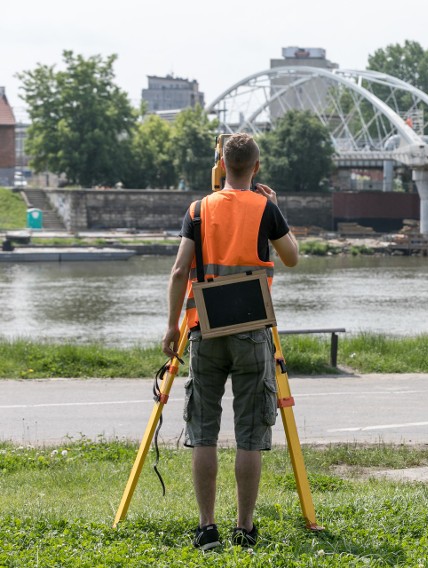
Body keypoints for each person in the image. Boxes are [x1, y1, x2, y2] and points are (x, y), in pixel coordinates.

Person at [161, 132, 299, 551]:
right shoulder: (265, 208)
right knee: (250, 433)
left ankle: (206, 528)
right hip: (252, 332)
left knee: (203, 431)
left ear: (221, 164)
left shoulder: (198, 209)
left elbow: (178, 272)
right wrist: (273, 208)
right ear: (256, 167)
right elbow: (291, 257)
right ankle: (245, 527)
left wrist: (171, 327)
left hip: (204, 329)